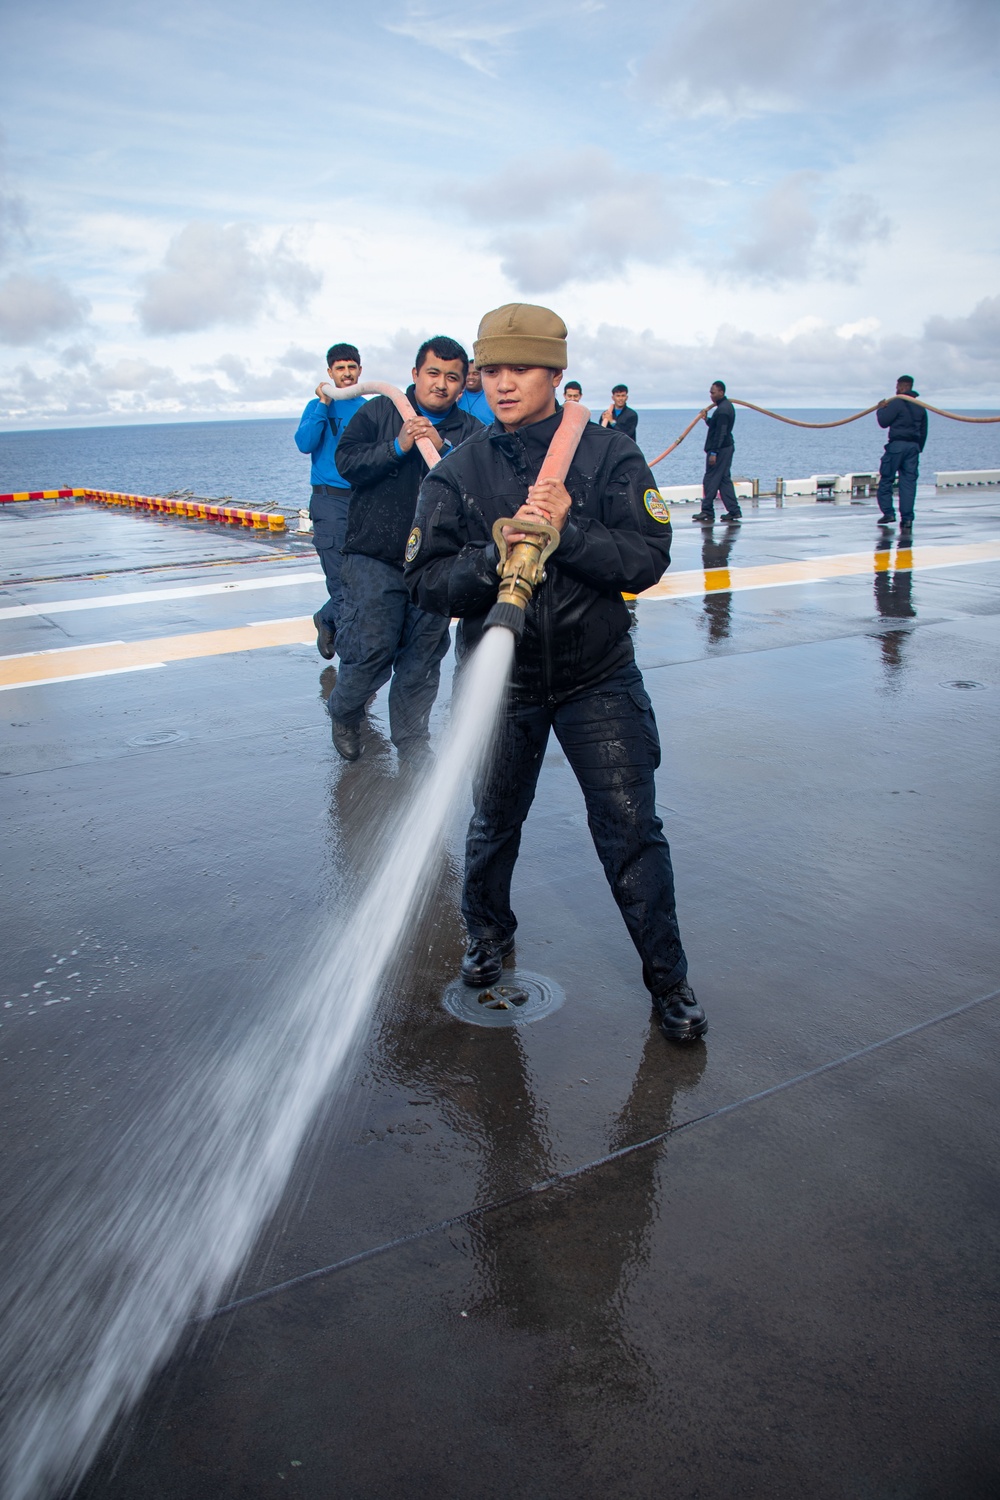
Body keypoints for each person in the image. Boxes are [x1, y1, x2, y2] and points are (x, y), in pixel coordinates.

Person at [405, 302, 706, 1044]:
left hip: (596, 676)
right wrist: (487, 558)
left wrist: (568, 529)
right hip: (501, 683)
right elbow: (424, 579)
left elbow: (648, 557)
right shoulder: (459, 469)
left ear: (556, 374)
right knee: (493, 823)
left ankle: (669, 980)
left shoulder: (606, 458)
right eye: (494, 370)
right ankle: (488, 935)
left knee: (631, 828)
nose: (504, 384)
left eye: (523, 369)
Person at [326, 336, 483, 765]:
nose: (442, 385)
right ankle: (344, 711)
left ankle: (412, 742)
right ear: (415, 375)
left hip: (435, 564)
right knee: (371, 648)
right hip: (373, 555)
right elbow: (347, 462)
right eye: (433, 373)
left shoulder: (470, 432)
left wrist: (442, 447)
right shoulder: (379, 411)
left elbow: (481, 486)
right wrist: (397, 447)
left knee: (422, 659)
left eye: (452, 377)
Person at [293, 343, 365, 659]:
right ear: (330, 373)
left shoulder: (368, 408)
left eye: (352, 367)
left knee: (361, 582)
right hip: (329, 502)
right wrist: (323, 405)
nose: (347, 373)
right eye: (340, 368)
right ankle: (353, 666)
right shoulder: (317, 405)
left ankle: (325, 617)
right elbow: (305, 443)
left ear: (360, 370)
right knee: (342, 586)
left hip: (362, 502)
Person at [876, 376, 927, 535]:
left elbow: (883, 422)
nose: (896, 389)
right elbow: (924, 430)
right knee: (908, 483)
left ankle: (888, 513)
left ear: (902, 386)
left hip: (897, 446)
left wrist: (880, 409)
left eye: (897, 386)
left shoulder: (896, 402)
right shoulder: (920, 407)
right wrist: (918, 448)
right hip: (913, 448)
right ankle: (907, 519)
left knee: (886, 479)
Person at [693, 381, 740, 523]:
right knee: (724, 480)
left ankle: (707, 510)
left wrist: (714, 452)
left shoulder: (723, 410)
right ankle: (734, 511)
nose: (711, 396)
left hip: (721, 450)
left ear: (721, 392)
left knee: (710, 479)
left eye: (713, 392)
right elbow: (716, 426)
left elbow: (721, 433)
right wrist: (706, 419)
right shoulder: (723, 408)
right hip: (726, 447)